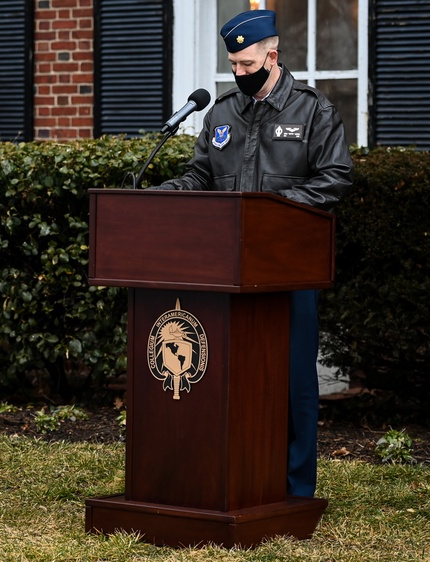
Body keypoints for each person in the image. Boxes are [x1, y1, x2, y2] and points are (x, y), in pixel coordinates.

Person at [150, 9, 353, 497]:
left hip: (287, 267)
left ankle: (295, 488)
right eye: (234, 66)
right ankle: (239, 474)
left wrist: (271, 212)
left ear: (272, 55)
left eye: (246, 64)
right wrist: (166, 193)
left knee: (292, 382)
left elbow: (335, 178)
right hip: (225, 270)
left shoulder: (312, 111)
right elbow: (203, 175)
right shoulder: (221, 112)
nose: (239, 74)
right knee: (229, 377)